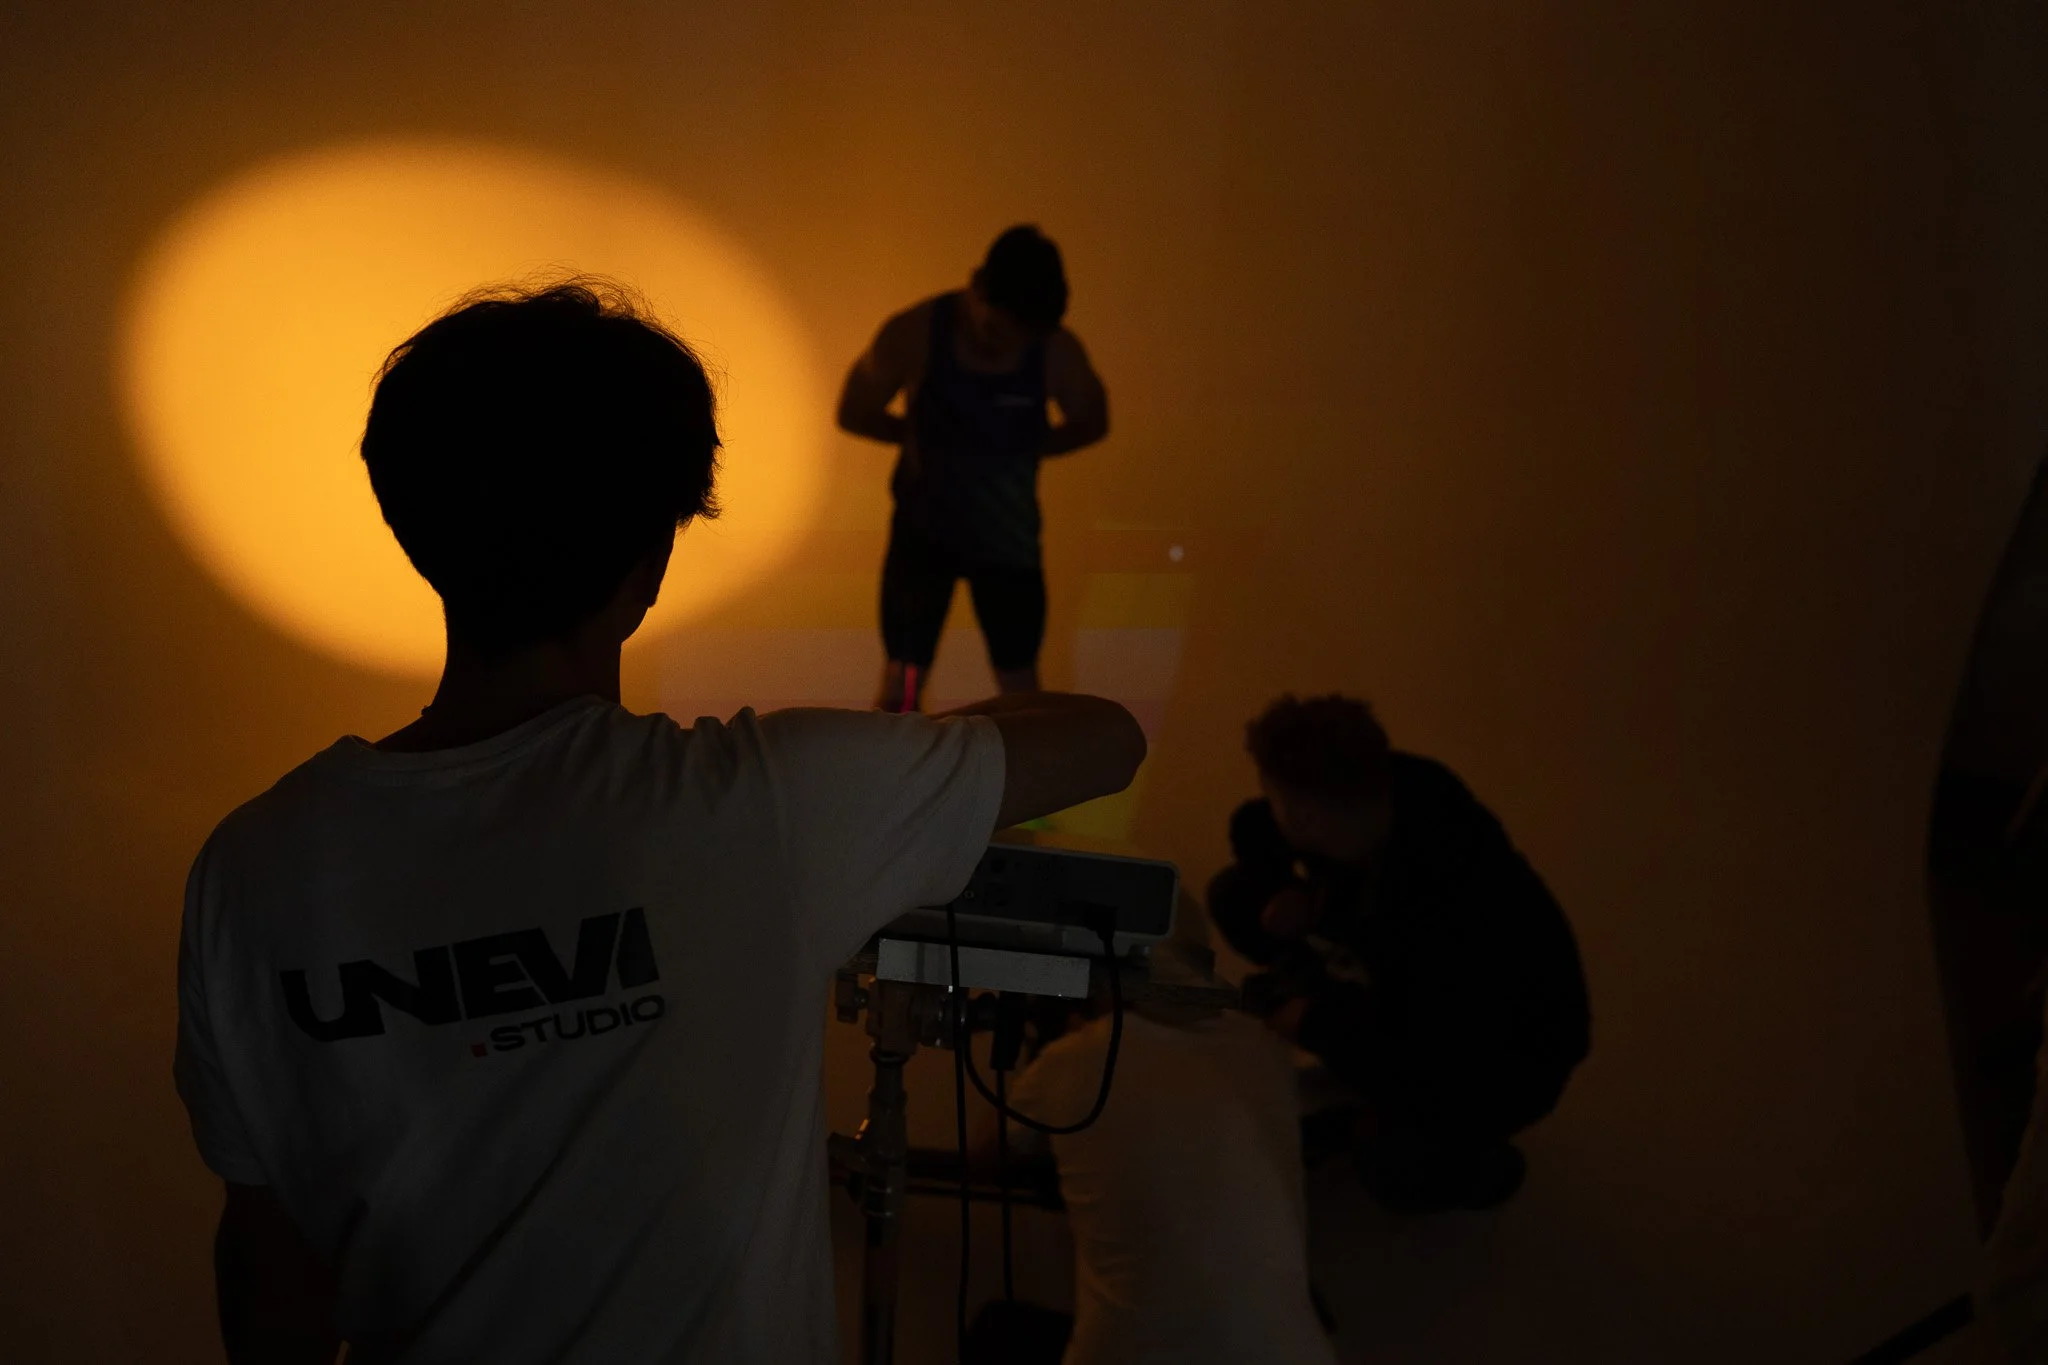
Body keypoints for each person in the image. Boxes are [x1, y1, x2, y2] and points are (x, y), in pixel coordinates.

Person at [173, 281, 1147, 1365]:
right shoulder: (767, 801)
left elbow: (270, 1276)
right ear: (649, 567)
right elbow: (1105, 738)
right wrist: (889, 757)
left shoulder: (255, 866)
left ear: (413, 528)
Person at [1208, 694, 1590, 1213]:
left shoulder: (1441, 906)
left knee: (1392, 1159)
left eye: (1274, 799)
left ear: (1306, 815)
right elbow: (1251, 825)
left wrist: (1315, 1022)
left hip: (1502, 1061)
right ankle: (1335, 1026)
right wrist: (1286, 889)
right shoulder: (1382, 786)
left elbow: (1418, 1043)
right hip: (1407, 981)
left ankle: (1476, 1164)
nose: (1269, 807)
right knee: (1237, 893)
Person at [973, 942, 1339, 1365]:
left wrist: (1035, 1046)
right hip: (1293, 1352)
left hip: (1139, 1353)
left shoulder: (1073, 1058)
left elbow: (983, 1158)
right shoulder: (1262, 1046)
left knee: (997, 1334)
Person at [837, 225, 1110, 712]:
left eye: (1020, 340)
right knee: (903, 686)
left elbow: (1093, 422)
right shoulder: (914, 333)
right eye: (995, 333)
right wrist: (924, 438)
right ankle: (896, 761)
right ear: (976, 287)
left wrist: (1021, 447)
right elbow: (853, 411)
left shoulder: (1055, 349)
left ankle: (1017, 762)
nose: (1005, 349)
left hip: (1006, 544)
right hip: (925, 539)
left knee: (1020, 691)